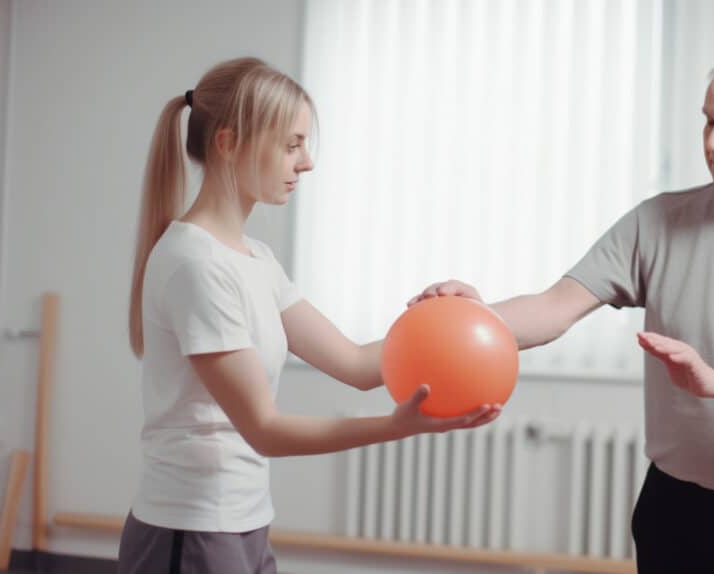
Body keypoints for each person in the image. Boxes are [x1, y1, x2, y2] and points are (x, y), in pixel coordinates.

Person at [410, 48, 714, 573]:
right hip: (676, 513)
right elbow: (556, 306)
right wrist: (474, 317)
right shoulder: (658, 220)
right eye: (707, 122)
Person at [119, 57, 501, 574]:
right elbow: (265, 430)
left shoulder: (254, 260)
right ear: (229, 143)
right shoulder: (196, 264)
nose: (306, 162)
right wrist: (396, 427)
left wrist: (451, 317)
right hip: (192, 529)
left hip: (242, 522)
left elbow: (359, 365)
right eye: (291, 144)